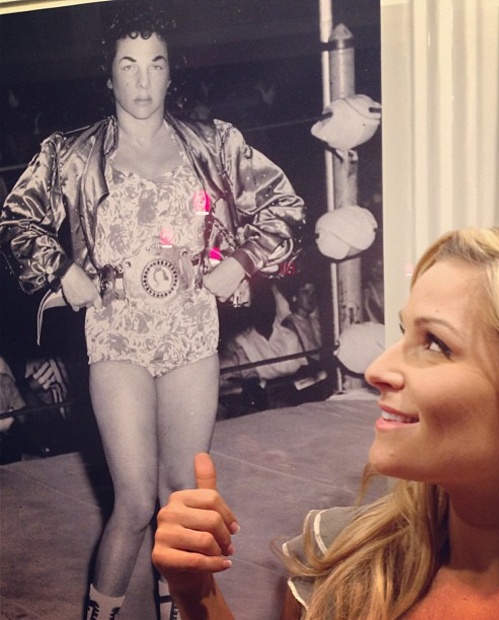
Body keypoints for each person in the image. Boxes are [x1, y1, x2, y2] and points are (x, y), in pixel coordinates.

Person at [152, 217, 499, 619]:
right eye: (403, 332)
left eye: (435, 344)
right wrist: (196, 593)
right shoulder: (347, 555)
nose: (376, 370)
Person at [0, 5, 304, 619]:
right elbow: (15, 220)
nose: (142, 81)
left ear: (170, 73)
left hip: (191, 327)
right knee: (137, 501)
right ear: (109, 76)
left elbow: (284, 207)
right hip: (117, 332)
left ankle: (179, 610)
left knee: (183, 496)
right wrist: (63, 271)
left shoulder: (214, 144)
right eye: (128, 66)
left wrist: (240, 260)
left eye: (155, 65)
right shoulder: (70, 154)